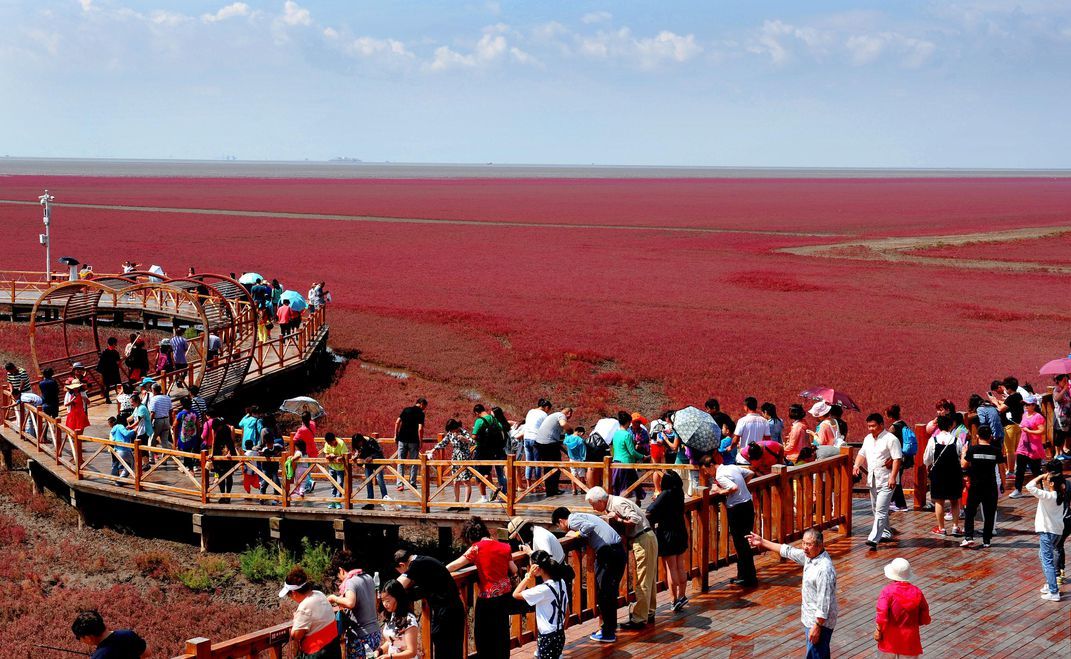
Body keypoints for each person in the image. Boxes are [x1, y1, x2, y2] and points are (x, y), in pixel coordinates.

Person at [747, 528, 838, 659]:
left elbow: (825, 602)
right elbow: (787, 551)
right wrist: (762, 542)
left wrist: (817, 626)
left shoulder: (824, 569)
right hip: (810, 619)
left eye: (809, 544)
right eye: (804, 543)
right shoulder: (810, 556)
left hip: (820, 622)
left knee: (816, 655)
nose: (805, 548)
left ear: (819, 545)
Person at [586, 486, 658, 629]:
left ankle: (639, 618)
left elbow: (635, 519)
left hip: (643, 538)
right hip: (645, 538)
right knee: (648, 577)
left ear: (600, 501)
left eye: (593, 504)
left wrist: (617, 519)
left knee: (642, 580)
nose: (593, 508)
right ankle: (648, 612)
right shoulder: (614, 503)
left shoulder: (617, 503)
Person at [446, 517, 517, 659]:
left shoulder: (476, 548)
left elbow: (455, 565)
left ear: (470, 536)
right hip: (504, 597)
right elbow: (514, 569)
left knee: (483, 636)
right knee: (501, 633)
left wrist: (440, 571)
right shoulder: (505, 547)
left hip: (487, 599)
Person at [552, 506, 625, 643]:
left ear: (561, 521)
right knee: (610, 592)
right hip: (618, 550)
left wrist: (576, 534)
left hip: (607, 553)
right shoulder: (583, 515)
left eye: (559, 526)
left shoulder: (573, 521)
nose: (562, 529)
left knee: (604, 592)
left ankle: (607, 632)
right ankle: (609, 628)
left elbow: (588, 527)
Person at [700, 453, 757, 587]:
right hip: (748, 503)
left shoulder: (720, 475)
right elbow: (750, 473)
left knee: (740, 543)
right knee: (746, 541)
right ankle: (745, 574)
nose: (707, 473)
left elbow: (733, 488)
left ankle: (748, 577)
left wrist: (720, 491)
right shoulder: (732, 467)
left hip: (737, 508)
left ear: (711, 465)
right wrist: (742, 487)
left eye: (706, 470)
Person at [394, 549, 464, 658]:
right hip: (453, 608)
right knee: (453, 648)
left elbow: (396, 587)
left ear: (402, 564)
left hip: (446, 612)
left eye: (400, 570)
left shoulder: (415, 565)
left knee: (444, 648)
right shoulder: (423, 560)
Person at [853, 413, 902, 551]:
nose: (870, 429)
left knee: (880, 510)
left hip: (887, 480)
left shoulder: (891, 439)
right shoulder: (868, 438)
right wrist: (856, 466)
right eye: (868, 426)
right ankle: (885, 531)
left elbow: (897, 459)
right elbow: (861, 454)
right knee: (876, 509)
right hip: (873, 479)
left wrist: (893, 476)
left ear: (881, 425)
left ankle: (873, 539)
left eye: (873, 426)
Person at [513, 550, 570, 659]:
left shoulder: (542, 590)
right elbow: (567, 610)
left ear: (537, 569)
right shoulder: (561, 582)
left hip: (547, 635)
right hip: (559, 633)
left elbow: (516, 594)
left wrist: (528, 577)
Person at [646, 469, 689, 611]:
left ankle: (673, 599)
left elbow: (651, 509)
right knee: (680, 566)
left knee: (671, 568)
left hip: (667, 533)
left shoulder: (665, 494)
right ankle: (682, 595)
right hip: (680, 530)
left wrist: (657, 497)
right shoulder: (679, 492)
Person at [326, 554, 381, 659]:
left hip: (361, 636)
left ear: (341, 570)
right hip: (375, 633)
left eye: (339, 575)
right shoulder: (368, 577)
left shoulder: (351, 582)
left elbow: (351, 603)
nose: (340, 579)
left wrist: (334, 598)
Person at [279, 566, 342, 659]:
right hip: (333, 646)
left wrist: (296, 618)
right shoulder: (319, 594)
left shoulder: (304, 607)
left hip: (318, 652)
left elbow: (296, 635)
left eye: (289, 595)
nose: (290, 598)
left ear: (294, 592)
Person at [1026, 462, 1067, 601]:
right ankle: (1051, 585)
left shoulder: (1049, 496)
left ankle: (1053, 591)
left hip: (1047, 532)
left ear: (1051, 484)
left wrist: (1040, 476)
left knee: (1047, 561)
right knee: (1043, 557)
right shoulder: (1059, 495)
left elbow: (1029, 486)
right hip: (1057, 531)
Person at [874, 558, 930, 659]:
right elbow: (925, 617)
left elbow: (882, 614)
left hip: (889, 639)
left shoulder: (887, 591)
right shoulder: (917, 592)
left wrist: (878, 630)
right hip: (910, 640)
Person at [922, 414, 964, 536]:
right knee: (955, 501)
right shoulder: (956, 440)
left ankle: (941, 528)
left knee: (939, 501)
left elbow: (926, 459)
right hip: (954, 473)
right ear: (951, 425)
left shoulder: (933, 440)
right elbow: (960, 455)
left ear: (938, 426)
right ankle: (956, 526)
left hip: (938, 474)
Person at [961, 425, 1001, 548]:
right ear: (990, 437)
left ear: (977, 436)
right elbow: (1001, 469)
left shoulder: (972, 449)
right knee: (989, 513)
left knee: (970, 512)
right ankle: (987, 540)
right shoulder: (996, 450)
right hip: (991, 485)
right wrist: (1003, 484)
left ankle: (968, 537)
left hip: (976, 485)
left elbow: (964, 464)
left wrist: (963, 453)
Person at [429, 419, 475, 505]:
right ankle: (456, 502)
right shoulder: (450, 433)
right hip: (455, 458)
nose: (451, 431)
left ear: (456, 427)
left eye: (451, 429)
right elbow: (443, 443)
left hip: (464, 458)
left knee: (466, 481)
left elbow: (473, 442)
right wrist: (433, 450)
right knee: (455, 480)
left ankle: (466, 503)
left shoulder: (463, 432)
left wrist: (465, 439)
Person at [71, 609, 149, 658]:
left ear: (88, 637)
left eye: (78, 638)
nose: (80, 641)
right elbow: (147, 653)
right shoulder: (127, 634)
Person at [1011, 395, 1047, 498]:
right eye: (1025, 404)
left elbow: (1042, 431)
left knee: (1036, 470)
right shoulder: (1024, 414)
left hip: (1034, 448)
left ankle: (1044, 488)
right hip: (1023, 447)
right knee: (1020, 470)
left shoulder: (1038, 417)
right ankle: (1018, 490)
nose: (1026, 406)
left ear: (1034, 405)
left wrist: (1029, 431)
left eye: (1028, 404)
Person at [989, 376, 1025, 472]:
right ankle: (1018, 468)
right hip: (1018, 424)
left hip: (1009, 426)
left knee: (1010, 451)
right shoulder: (1018, 395)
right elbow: (1009, 406)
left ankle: (1011, 471)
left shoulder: (1011, 398)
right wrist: (999, 402)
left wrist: (995, 402)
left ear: (1008, 388)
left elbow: (1001, 409)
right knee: (1017, 449)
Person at [377, 580, 420, 659]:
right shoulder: (391, 615)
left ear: (398, 598)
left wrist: (390, 657)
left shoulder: (409, 620)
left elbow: (412, 652)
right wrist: (379, 651)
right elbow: (392, 641)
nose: (385, 604)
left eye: (388, 600)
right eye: (383, 600)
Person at [534, 407, 573, 497]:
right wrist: (570, 430)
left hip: (539, 443)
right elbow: (563, 424)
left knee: (547, 467)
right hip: (549, 443)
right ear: (569, 413)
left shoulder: (552, 415)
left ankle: (549, 490)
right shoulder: (561, 415)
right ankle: (553, 490)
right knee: (557, 466)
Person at [611, 411, 646, 502]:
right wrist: (643, 456)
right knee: (627, 487)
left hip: (616, 463)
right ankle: (625, 505)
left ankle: (634, 501)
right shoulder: (627, 435)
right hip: (626, 464)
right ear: (627, 422)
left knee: (619, 486)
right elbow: (632, 452)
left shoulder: (616, 434)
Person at [394, 398, 427, 490]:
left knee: (400, 461)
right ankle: (412, 483)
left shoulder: (406, 410)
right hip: (413, 441)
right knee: (414, 462)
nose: (424, 408)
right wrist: (421, 441)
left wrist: (395, 435)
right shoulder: (421, 413)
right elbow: (420, 429)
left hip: (402, 439)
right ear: (421, 404)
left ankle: (400, 484)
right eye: (424, 406)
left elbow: (397, 422)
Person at [521, 398, 552, 489]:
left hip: (526, 438)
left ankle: (528, 485)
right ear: (546, 407)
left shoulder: (530, 411)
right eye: (549, 409)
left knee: (529, 462)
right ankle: (537, 485)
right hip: (535, 439)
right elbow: (546, 428)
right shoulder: (544, 415)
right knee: (537, 463)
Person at [352, 434, 390, 506]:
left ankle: (385, 500)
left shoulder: (371, 441)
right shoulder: (357, 445)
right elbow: (359, 453)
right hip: (368, 464)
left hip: (378, 463)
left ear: (361, 440)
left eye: (359, 442)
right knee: (368, 481)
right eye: (357, 443)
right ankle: (370, 502)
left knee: (380, 481)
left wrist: (371, 457)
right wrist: (356, 457)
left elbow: (379, 452)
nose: (359, 444)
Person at [208, 416, 237, 500]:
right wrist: (212, 454)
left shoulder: (228, 429)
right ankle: (222, 494)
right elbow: (213, 442)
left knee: (228, 475)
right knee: (220, 475)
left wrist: (229, 453)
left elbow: (231, 442)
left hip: (228, 451)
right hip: (218, 451)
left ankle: (228, 495)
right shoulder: (215, 429)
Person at [323, 432, 349, 509]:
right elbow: (326, 455)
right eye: (328, 443)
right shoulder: (327, 443)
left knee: (339, 483)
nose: (330, 444)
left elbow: (345, 455)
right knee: (333, 484)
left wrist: (339, 457)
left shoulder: (341, 443)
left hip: (340, 468)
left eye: (331, 442)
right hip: (331, 466)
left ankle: (338, 501)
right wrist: (329, 456)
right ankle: (333, 501)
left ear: (334, 440)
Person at [96, 337, 122, 403]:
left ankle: (108, 399)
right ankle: (119, 398)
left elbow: (101, 363)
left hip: (106, 372)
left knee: (107, 386)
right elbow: (118, 363)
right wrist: (124, 358)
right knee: (117, 385)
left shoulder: (104, 352)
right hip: (113, 371)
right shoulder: (116, 353)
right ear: (113, 344)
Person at [562, 425, 587, 495]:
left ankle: (574, 490)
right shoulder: (580, 440)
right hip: (579, 459)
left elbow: (564, 442)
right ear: (581, 433)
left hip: (571, 459)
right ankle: (582, 489)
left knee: (573, 475)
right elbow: (583, 452)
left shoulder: (568, 438)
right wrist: (584, 459)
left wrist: (567, 435)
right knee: (581, 475)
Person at [148, 383, 173, 452]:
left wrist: (149, 424)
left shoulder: (153, 399)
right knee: (164, 441)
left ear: (153, 390)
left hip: (158, 421)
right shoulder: (167, 397)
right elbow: (171, 410)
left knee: (152, 439)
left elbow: (152, 413)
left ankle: (151, 458)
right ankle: (165, 459)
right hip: (166, 419)